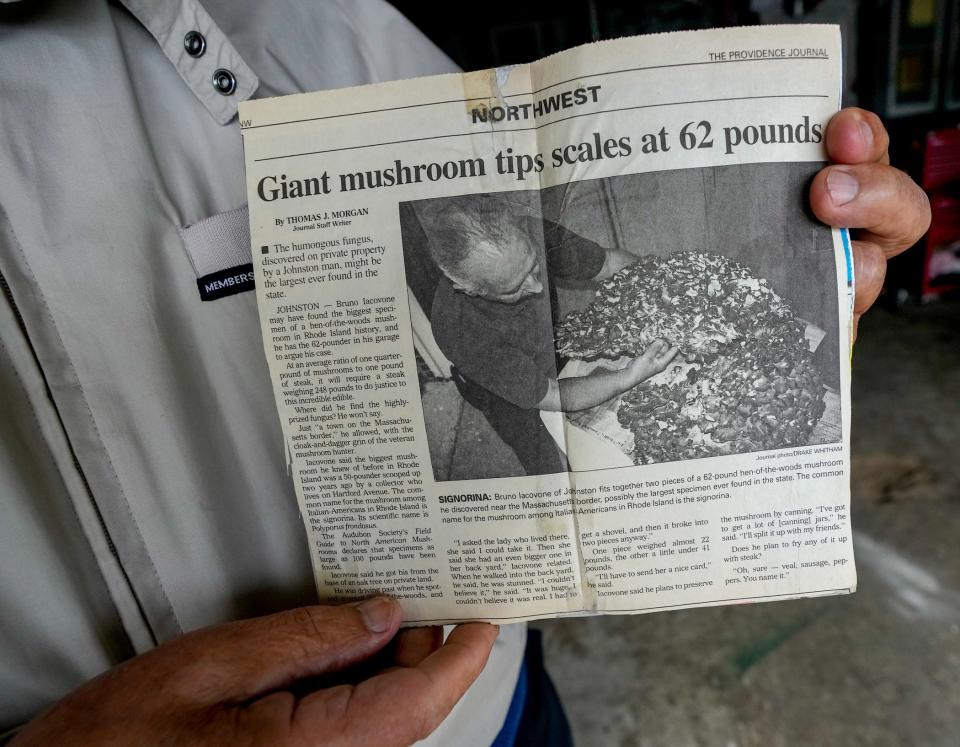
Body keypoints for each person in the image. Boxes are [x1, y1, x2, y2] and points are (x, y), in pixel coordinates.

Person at [0, 1, 931, 745]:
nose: (528, 280)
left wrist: (754, 285)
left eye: (527, 265)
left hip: (492, 713)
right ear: (453, 285)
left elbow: (592, 267)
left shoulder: (338, 36)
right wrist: (629, 366)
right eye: (508, 284)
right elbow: (555, 396)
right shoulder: (464, 327)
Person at [427, 202, 678, 476]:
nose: (536, 287)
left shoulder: (531, 230)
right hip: (500, 388)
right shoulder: (462, 331)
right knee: (544, 456)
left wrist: (667, 287)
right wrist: (628, 376)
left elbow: (606, 263)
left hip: (546, 341)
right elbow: (552, 394)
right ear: (470, 290)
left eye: (534, 267)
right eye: (514, 289)